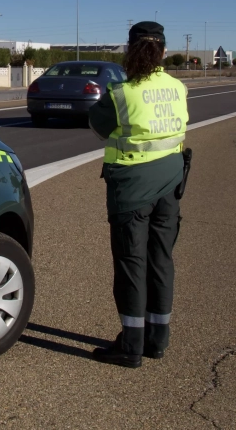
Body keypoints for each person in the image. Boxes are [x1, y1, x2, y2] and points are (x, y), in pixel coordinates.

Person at [87, 22, 189, 368]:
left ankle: (131, 345)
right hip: (170, 184)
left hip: (132, 189)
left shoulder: (121, 93)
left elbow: (98, 126)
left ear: (130, 51)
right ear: (164, 51)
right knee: (161, 259)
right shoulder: (177, 88)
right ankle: (157, 340)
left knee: (132, 263)